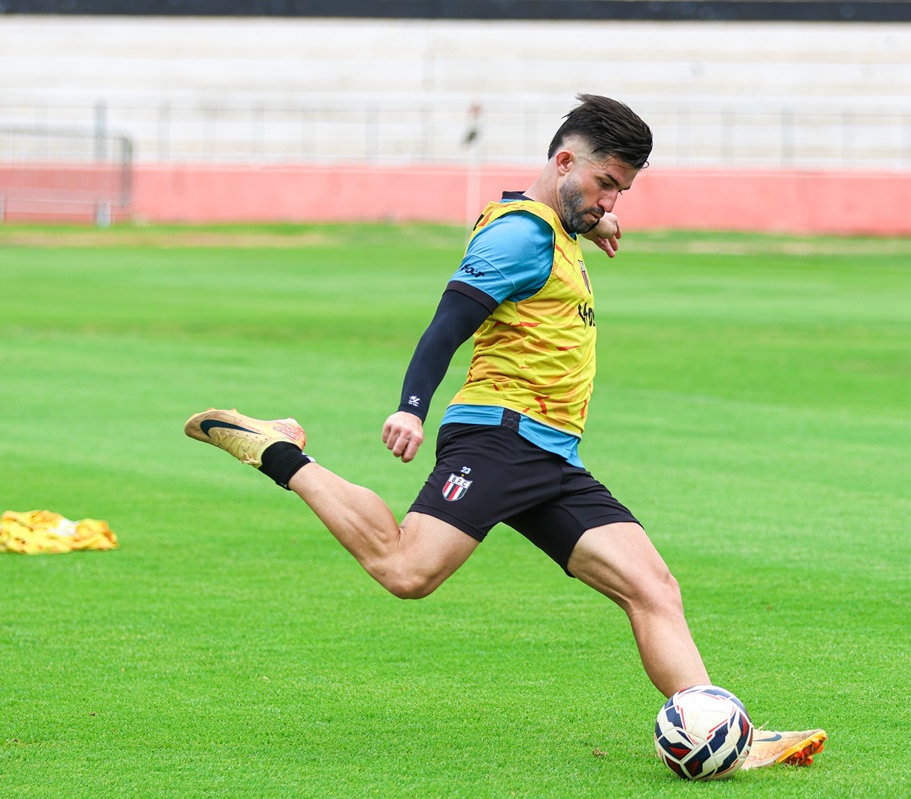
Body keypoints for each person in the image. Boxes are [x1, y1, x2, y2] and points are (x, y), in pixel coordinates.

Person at [186, 94, 825, 768]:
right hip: (497, 439)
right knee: (406, 569)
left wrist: (587, 224)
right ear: (564, 159)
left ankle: (724, 733)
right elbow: (450, 319)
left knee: (653, 587)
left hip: (551, 455)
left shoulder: (551, 229)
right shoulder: (520, 232)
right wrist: (411, 404)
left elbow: (545, 236)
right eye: (606, 184)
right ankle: (279, 448)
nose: (612, 201)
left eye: (622, 191)